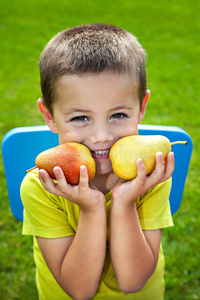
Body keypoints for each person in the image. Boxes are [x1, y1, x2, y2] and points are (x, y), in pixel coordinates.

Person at [21, 23, 174, 300]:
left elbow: (132, 282)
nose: (102, 136)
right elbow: (80, 291)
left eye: (117, 115)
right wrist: (91, 209)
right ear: (49, 116)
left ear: (141, 108)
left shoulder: (150, 174)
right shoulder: (41, 187)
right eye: (80, 118)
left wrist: (125, 201)